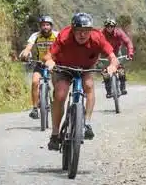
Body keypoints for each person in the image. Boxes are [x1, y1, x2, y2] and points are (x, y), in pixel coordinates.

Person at [42, 12, 119, 151]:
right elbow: (48, 56)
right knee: (60, 94)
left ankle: (87, 123)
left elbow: (113, 57)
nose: (82, 35)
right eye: (78, 31)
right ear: (73, 30)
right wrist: (50, 62)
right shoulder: (64, 36)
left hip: (86, 68)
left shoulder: (98, 37)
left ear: (91, 31)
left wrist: (112, 66)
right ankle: (55, 134)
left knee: (89, 85)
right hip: (63, 67)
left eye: (86, 31)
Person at [18, 15, 58, 119]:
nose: (45, 27)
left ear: (51, 26)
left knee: (57, 85)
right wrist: (26, 53)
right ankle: (35, 108)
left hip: (54, 64)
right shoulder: (35, 35)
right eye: (43, 25)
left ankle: (56, 104)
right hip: (40, 64)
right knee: (35, 81)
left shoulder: (57, 35)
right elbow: (28, 47)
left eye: (47, 25)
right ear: (40, 26)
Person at [101, 18, 135, 98]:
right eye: (108, 26)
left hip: (117, 53)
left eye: (112, 26)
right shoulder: (101, 33)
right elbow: (94, 44)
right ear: (105, 27)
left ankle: (122, 88)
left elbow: (128, 42)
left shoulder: (119, 32)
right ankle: (108, 91)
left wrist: (130, 53)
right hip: (105, 54)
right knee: (105, 71)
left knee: (120, 69)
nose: (110, 28)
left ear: (114, 27)